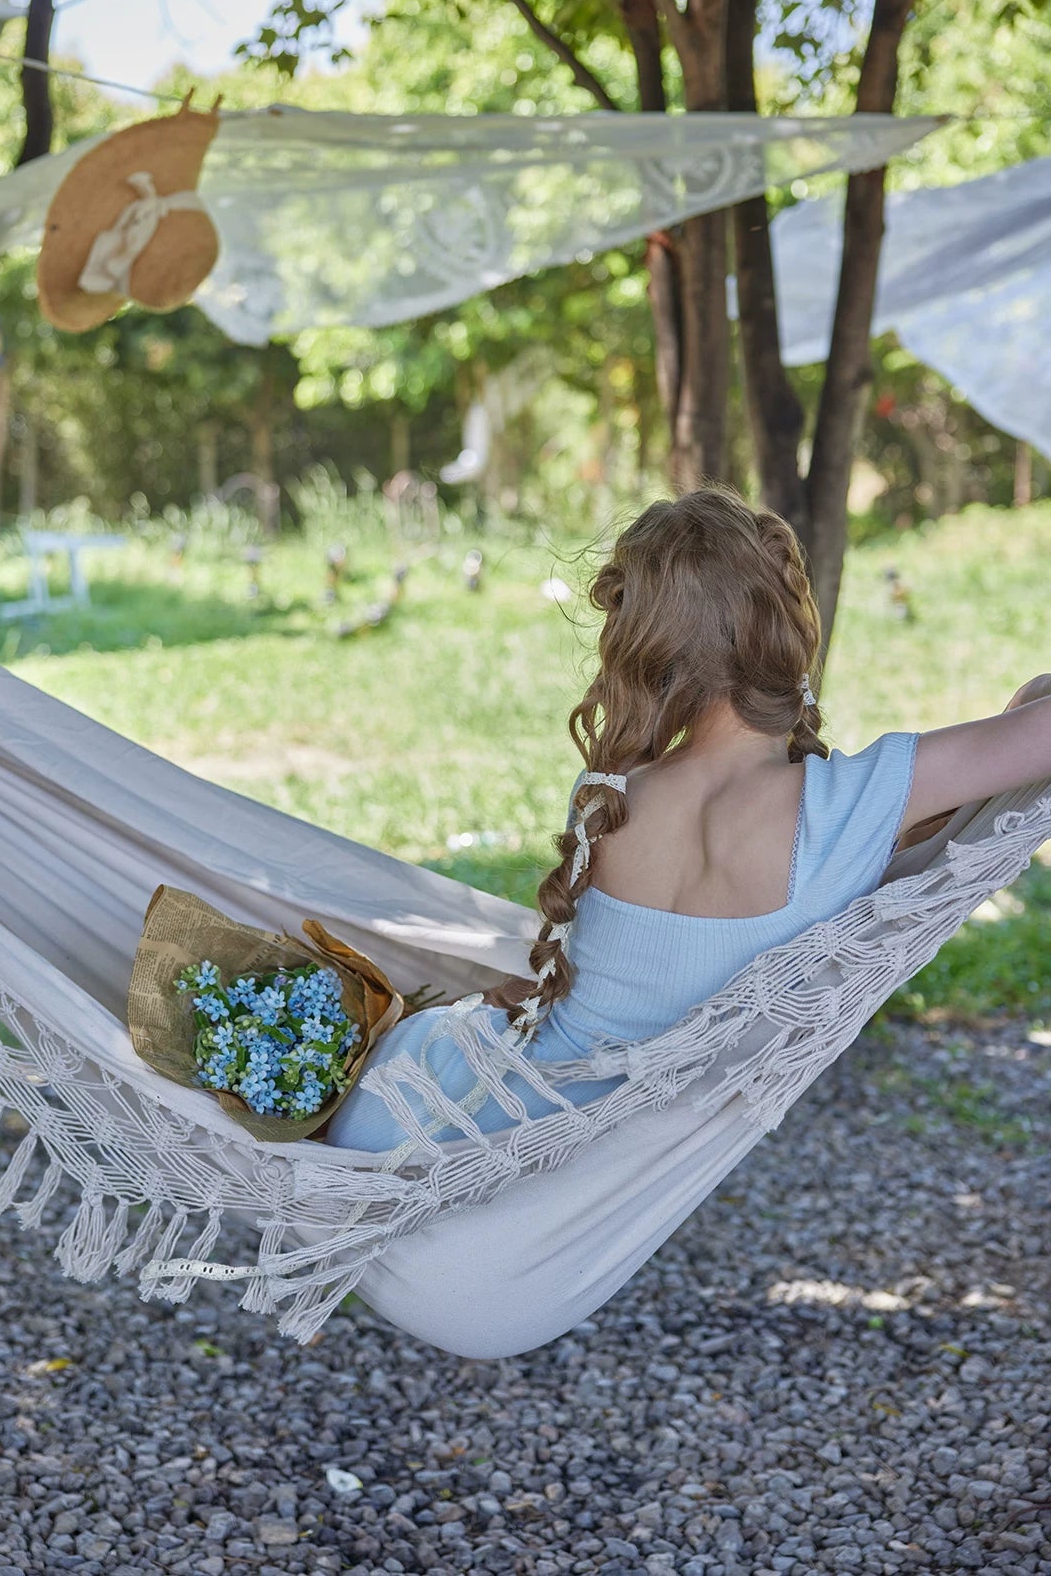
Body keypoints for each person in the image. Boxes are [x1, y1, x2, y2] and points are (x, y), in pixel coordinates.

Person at [325, 487, 1051, 1154]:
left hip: (414, 1108)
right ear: (791, 630)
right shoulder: (848, 805)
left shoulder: (609, 791)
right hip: (529, 1154)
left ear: (647, 651)